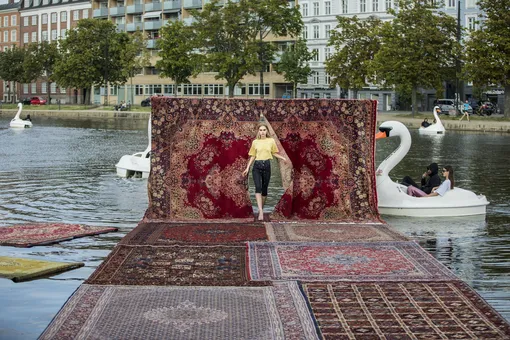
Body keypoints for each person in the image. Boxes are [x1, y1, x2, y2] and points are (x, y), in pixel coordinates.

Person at [242, 124, 288, 221]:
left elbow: (274, 153)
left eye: (264, 130)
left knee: (264, 190)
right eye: (260, 130)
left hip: (267, 166)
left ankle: (261, 208)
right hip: (257, 167)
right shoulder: (255, 142)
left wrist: (283, 158)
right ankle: (260, 211)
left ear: (266, 131)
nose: (262, 132)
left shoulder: (271, 141)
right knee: (258, 187)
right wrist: (247, 168)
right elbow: (253, 156)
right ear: (258, 131)